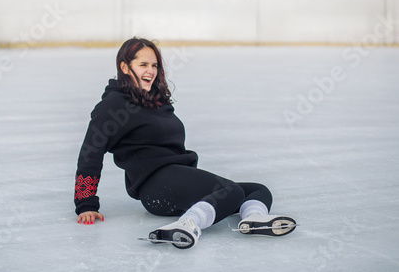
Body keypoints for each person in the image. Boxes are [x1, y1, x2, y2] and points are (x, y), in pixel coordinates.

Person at [74, 38, 297, 249]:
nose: (150, 71)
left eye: (154, 65)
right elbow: (90, 152)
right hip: (154, 185)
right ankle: (186, 224)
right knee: (231, 191)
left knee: (257, 190)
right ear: (124, 67)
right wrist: (87, 204)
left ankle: (254, 220)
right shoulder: (113, 105)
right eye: (143, 64)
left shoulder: (155, 101)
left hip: (177, 176)